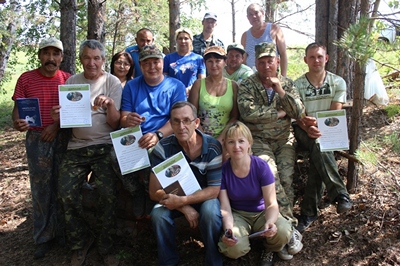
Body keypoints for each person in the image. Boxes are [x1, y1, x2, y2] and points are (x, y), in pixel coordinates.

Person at [51, 39, 122, 266]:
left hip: (104, 146)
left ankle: (106, 246)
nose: (92, 63)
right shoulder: (72, 82)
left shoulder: (112, 82)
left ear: (103, 60)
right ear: (81, 59)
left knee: (107, 194)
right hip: (77, 147)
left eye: (96, 58)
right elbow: (67, 121)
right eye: (87, 58)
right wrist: (58, 117)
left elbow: (115, 124)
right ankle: (80, 243)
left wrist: (110, 104)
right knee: (65, 193)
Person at [237, 42, 305, 260]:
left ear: (277, 61)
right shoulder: (248, 85)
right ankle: (291, 229)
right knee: (270, 175)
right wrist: (278, 113)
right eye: (262, 62)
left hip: (284, 140)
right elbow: (248, 113)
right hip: (258, 140)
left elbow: (298, 112)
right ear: (255, 63)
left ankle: (280, 233)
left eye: (270, 61)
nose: (266, 66)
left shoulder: (287, 83)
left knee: (286, 179)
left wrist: (281, 91)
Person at [11, 37, 71, 259]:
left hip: (63, 136)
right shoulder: (26, 79)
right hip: (37, 139)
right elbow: (17, 110)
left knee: (63, 186)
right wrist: (18, 122)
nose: (51, 58)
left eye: (55, 54)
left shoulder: (68, 80)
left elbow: (74, 112)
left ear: (62, 57)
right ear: (39, 56)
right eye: (46, 53)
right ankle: (43, 237)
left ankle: (63, 233)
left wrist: (55, 126)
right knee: (40, 189)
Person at [149, 101, 223, 266]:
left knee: (211, 211)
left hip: (204, 198)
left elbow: (214, 190)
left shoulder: (212, 147)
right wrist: (182, 206)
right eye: (176, 121)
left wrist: (184, 201)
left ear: (196, 123)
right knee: (158, 215)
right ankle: (168, 262)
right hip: (175, 199)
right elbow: (154, 191)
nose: (181, 126)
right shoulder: (163, 147)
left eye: (186, 120)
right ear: (171, 124)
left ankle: (213, 261)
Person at [118, 45, 186, 218]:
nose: (152, 67)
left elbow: (178, 119)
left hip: (166, 136)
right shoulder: (132, 86)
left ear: (162, 63)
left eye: (156, 62)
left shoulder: (175, 86)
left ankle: (153, 198)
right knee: (114, 156)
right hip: (136, 137)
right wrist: (128, 120)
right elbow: (123, 118)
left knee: (153, 153)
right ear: (140, 65)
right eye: (146, 63)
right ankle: (137, 192)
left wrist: (158, 135)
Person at [293, 42, 353, 232]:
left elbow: (334, 112)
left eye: (320, 56)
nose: (316, 60)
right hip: (303, 129)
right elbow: (298, 114)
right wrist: (307, 126)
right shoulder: (298, 85)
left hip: (330, 127)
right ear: (305, 60)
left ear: (326, 58)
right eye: (312, 57)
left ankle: (308, 212)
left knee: (320, 147)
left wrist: (318, 127)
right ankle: (340, 194)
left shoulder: (338, 82)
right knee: (319, 144)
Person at [217, 121, 293, 265]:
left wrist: (270, 222)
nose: (237, 146)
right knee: (234, 249)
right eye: (231, 142)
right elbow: (225, 208)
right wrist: (228, 230)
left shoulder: (260, 166)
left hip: (261, 213)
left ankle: (269, 248)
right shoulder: (223, 171)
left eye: (241, 141)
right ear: (226, 145)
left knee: (282, 232)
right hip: (238, 214)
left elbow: (271, 204)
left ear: (249, 143)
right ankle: (243, 243)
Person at [189, 46, 239, 144]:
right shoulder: (198, 84)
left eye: (217, 61)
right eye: (210, 61)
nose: (214, 65)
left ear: (225, 62)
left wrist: (221, 139)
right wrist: (205, 139)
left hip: (227, 137)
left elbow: (235, 116)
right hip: (200, 137)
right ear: (205, 63)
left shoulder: (233, 85)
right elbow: (192, 115)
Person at [241, 3, 287, 76]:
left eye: (256, 13)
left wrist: (283, 77)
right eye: (250, 14)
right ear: (248, 18)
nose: (254, 16)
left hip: (271, 76)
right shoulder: (245, 36)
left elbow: (283, 54)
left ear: (262, 13)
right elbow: (243, 60)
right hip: (251, 78)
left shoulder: (274, 29)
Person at [163, 28, 206, 96]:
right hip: (173, 95)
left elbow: (202, 80)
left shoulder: (198, 59)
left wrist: (190, 89)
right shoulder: (168, 58)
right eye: (180, 38)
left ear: (191, 40)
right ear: (176, 41)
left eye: (186, 38)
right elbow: (164, 79)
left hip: (192, 95)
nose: (183, 41)